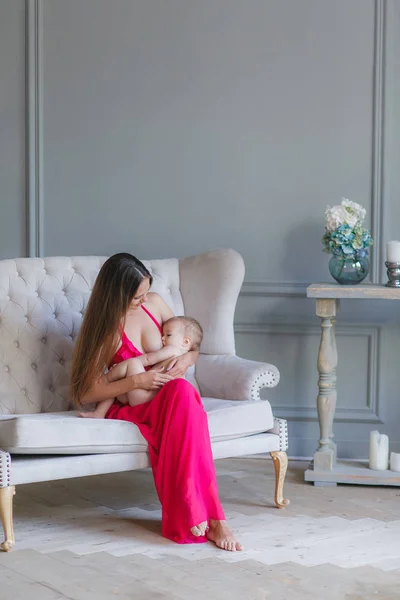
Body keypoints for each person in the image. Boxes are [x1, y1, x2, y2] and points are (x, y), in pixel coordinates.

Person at [70, 253, 243, 551]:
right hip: (138, 404)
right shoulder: (106, 328)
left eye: (145, 291)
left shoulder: (155, 303)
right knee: (187, 406)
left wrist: (186, 360)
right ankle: (213, 517)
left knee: (185, 396)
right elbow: (86, 392)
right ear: (117, 293)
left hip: (171, 395)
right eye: (136, 296)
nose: (143, 299)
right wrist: (137, 381)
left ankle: (210, 516)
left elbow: (190, 344)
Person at [79, 316, 203, 418]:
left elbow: (148, 358)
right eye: (163, 334)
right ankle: (100, 412)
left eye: (168, 335)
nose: (163, 338)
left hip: (145, 397)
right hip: (148, 398)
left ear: (185, 342)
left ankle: (100, 406)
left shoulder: (173, 350)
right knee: (117, 386)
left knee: (133, 364)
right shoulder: (181, 357)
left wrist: (124, 366)